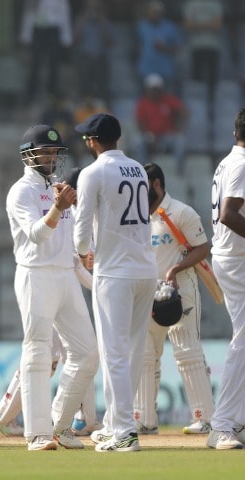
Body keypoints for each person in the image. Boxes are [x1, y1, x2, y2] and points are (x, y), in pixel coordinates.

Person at [3, 124, 98, 451]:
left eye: (56, 152)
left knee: (88, 353)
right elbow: (36, 235)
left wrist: (85, 258)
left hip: (64, 276)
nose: (52, 156)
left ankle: (59, 424)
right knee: (38, 350)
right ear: (28, 154)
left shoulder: (59, 188)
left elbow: (69, 241)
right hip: (35, 275)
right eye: (45, 151)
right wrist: (58, 208)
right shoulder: (21, 191)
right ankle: (37, 433)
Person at [73, 113, 158, 452]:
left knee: (114, 353)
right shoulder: (137, 167)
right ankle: (116, 422)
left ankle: (123, 430)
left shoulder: (93, 172)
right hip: (145, 268)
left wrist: (83, 252)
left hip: (115, 272)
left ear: (93, 141)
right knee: (133, 351)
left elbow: (81, 230)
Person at [133, 162, 215, 436]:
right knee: (145, 355)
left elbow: (202, 249)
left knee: (187, 352)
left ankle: (204, 418)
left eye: (144, 187)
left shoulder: (181, 212)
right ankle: (145, 419)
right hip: (148, 293)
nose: (139, 194)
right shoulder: (137, 217)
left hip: (181, 291)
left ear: (156, 184)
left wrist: (175, 269)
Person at [206, 107, 245, 449]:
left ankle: (237, 419)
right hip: (236, 259)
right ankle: (221, 425)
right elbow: (230, 213)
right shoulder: (243, 164)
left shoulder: (228, 161)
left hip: (230, 255)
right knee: (243, 339)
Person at [135, 73, 187, 172]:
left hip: (167, 136)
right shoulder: (143, 103)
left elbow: (184, 111)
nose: (154, 92)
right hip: (150, 136)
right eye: (152, 89)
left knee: (180, 140)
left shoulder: (168, 99)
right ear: (147, 90)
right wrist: (148, 135)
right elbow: (140, 122)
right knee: (138, 141)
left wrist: (179, 128)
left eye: (157, 89)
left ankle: (179, 171)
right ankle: (143, 170)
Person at [136, 1, 182, 91]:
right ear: (148, 12)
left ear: (162, 12)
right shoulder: (141, 26)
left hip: (165, 70)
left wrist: (164, 47)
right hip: (146, 68)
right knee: (146, 98)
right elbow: (137, 44)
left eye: (157, 12)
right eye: (152, 12)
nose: (155, 14)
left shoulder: (170, 27)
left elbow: (177, 47)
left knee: (166, 97)